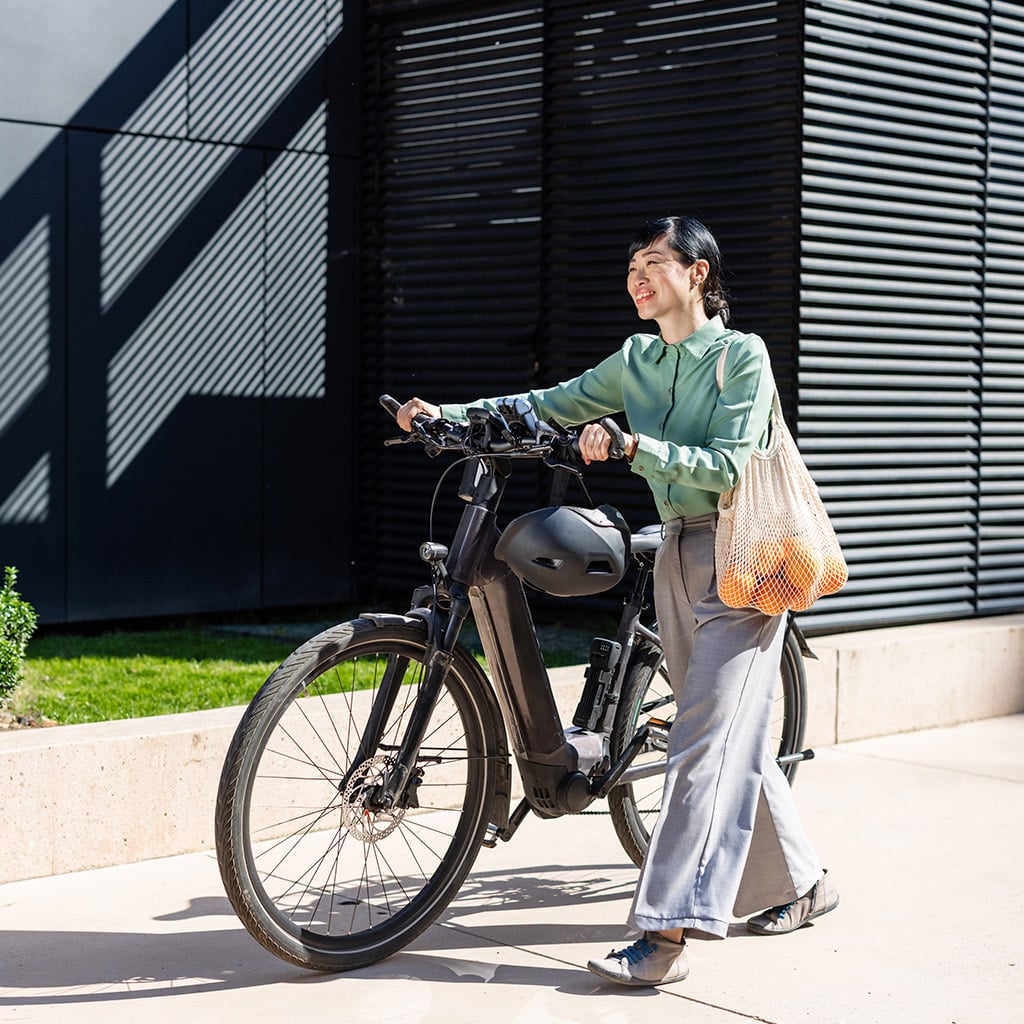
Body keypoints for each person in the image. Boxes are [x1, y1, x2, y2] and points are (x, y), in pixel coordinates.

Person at [396, 215, 837, 988]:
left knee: (700, 743)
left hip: (744, 553)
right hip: (674, 553)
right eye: (632, 264)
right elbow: (550, 403)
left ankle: (664, 933)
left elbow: (731, 467)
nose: (638, 276)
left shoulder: (740, 357)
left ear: (698, 274)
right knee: (728, 733)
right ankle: (803, 884)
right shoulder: (637, 357)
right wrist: (451, 417)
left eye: (655, 262)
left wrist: (637, 448)